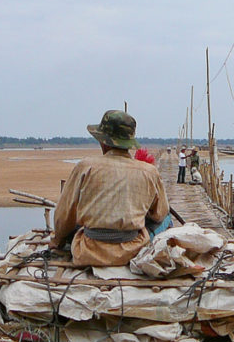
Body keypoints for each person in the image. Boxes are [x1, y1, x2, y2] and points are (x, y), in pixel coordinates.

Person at [51, 110, 169, 267]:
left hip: (88, 253)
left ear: (103, 142)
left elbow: (64, 216)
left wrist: (57, 241)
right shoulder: (149, 171)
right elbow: (159, 213)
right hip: (133, 252)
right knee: (167, 218)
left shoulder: (85, 166)